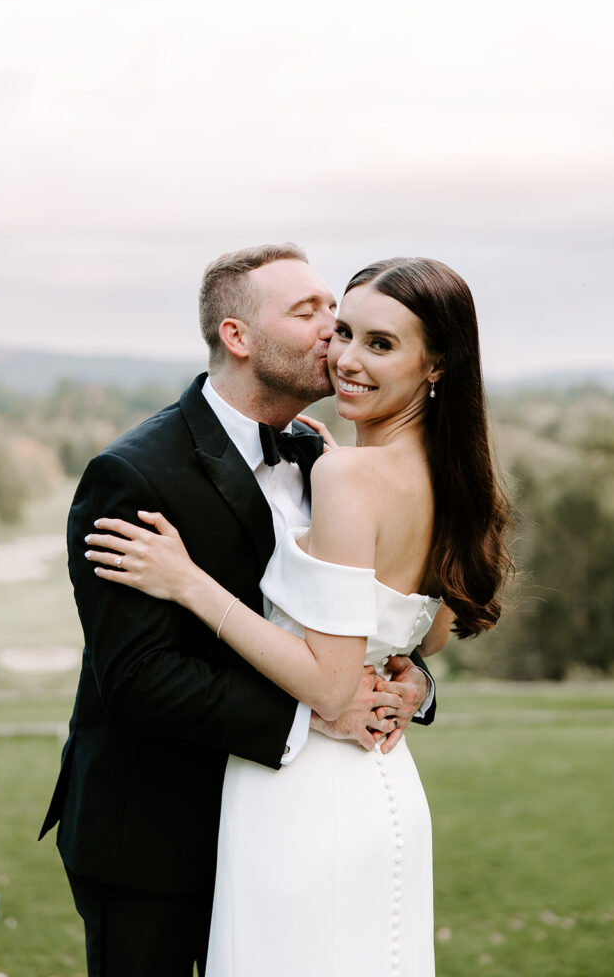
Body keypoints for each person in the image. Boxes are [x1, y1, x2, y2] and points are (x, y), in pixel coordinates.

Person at [86, 255, 512, 976]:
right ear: (237, 335)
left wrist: (189, 583)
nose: (338, 351)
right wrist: (404, 677)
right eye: (333, 326)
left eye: (376, 343)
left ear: (435, 364)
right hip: (366, 790)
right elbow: (424, 630)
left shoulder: (341, 470)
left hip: (307, 800)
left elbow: (329, 682)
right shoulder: (433, 470)